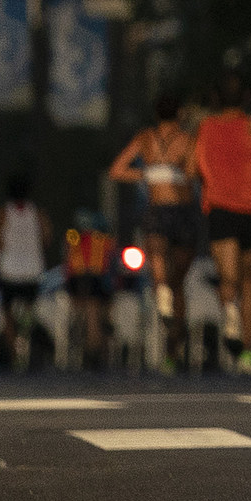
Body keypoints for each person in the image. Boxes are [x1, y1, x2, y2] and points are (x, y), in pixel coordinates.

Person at [110, 94, 199, 371]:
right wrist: (175, 173)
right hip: (183, 211)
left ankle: (161, 294)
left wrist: (149, 174)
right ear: (180, 113)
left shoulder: (145, 139)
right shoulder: (188, 140)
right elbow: (194, 173)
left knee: (157, 257)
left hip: (156, 208)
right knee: (179, 281)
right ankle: (174, 343)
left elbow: (117, 170)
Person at [196, 71, 251, 376]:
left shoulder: (206, 128)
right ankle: (248, 351)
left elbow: (194, 166)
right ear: (247, 97)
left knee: (227, 277)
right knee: (247, 279)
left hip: (221, 207)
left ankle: (230, 312)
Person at [0, 175, 48, 372]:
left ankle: (14, 353)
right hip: (31, 270)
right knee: (28, 312)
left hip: (9, 270)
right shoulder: (37, 212)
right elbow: (46, 237)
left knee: (8, 313)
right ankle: (25, 346)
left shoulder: (3, 213)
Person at [63, 210, 115, 369]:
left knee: (94, 315)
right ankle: (91, 351)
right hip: (83, 282)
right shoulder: (76, 238)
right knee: (92, 314)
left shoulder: (101, 240)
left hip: (94, 282)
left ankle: (94, 352)